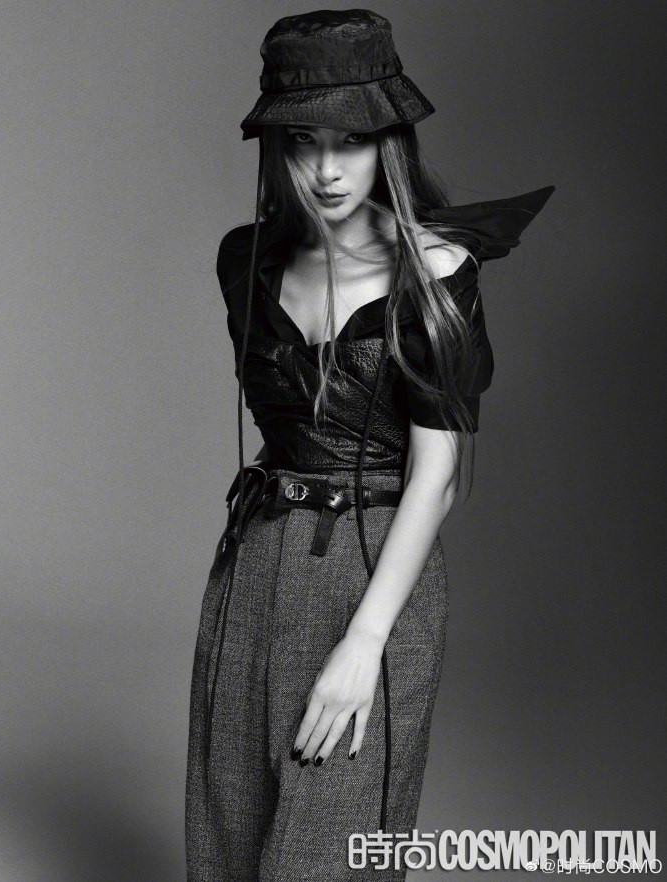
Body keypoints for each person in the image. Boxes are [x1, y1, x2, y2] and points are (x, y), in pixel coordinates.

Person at [185, 9, 554, 881]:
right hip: (253, 563)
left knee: (326, 857)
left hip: (372, 569)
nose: (325, 169)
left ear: (389, 140)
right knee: (223, 844)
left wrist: (365, 643)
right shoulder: (245, 263)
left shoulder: (436, 270)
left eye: (350, 140)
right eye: (302, 141)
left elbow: (437, 478)